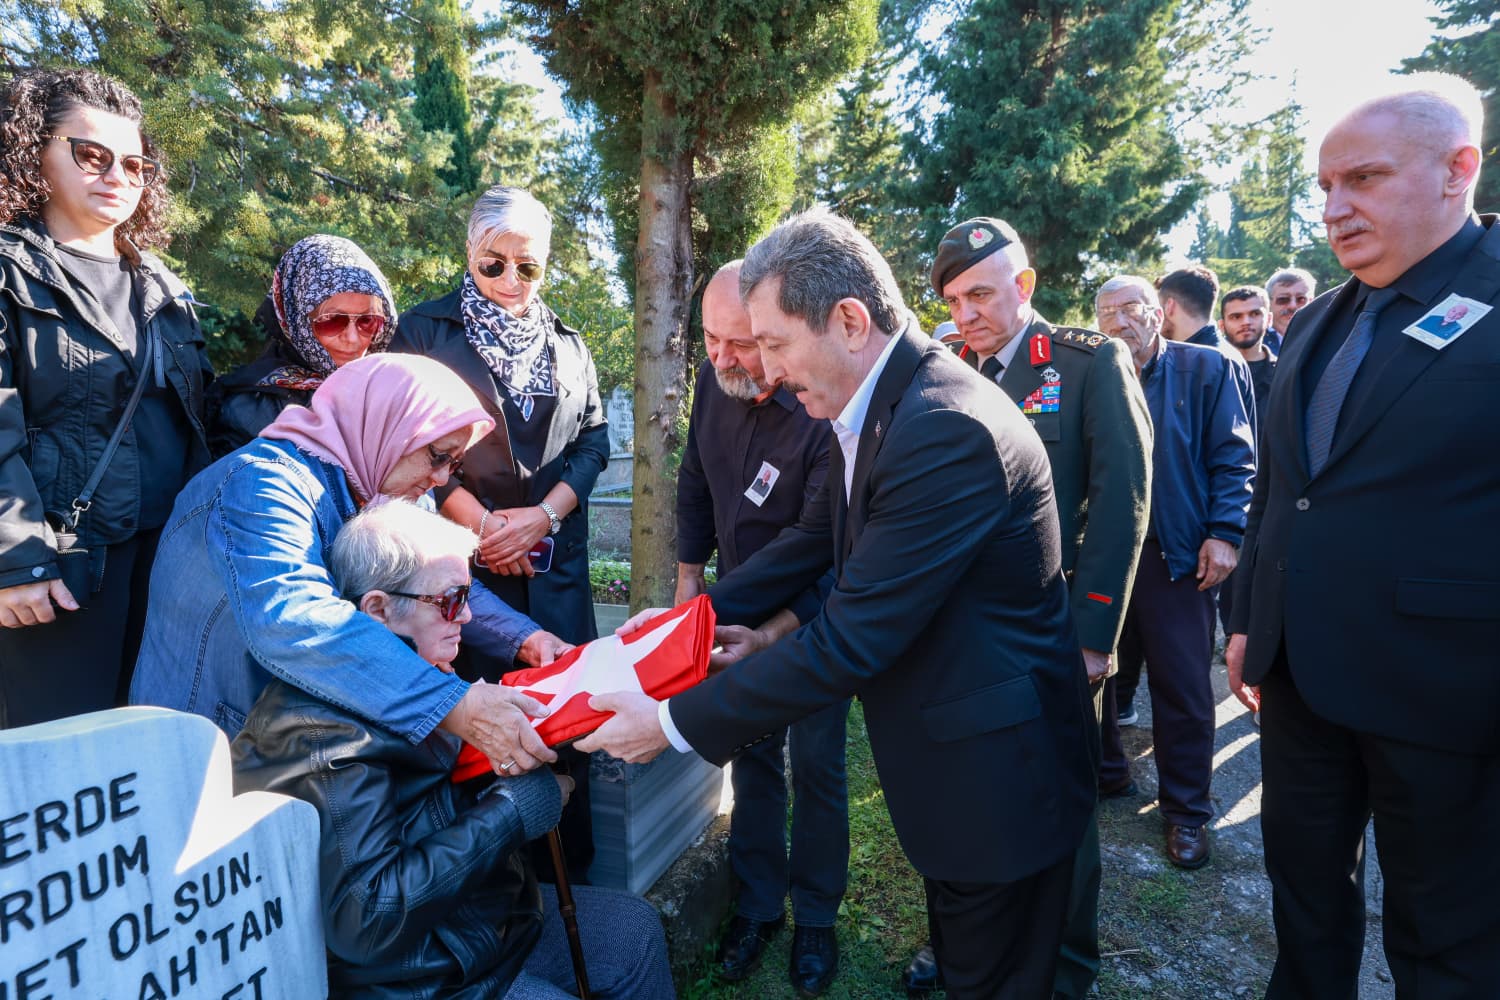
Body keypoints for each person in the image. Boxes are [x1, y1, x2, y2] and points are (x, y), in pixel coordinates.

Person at [578, 210, 1099, 1000]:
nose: (771, 372)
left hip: (999, 778)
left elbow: (851, 640)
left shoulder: (940, 427)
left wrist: (672, 725)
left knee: (999, 979)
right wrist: (694, 621)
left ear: (849, 321)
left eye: (776, 344)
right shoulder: (883, 403)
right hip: (959, 763)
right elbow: (809, 539)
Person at [1226, 76, 1500, 998]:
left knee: (1447, 931)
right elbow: (1281, 489)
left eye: (1365, 180)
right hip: (1299, 674)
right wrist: (1245, 616)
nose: (1336, 210)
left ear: (1459, 169)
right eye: (1325, 187)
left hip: (1448, 689)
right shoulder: (1319, 321)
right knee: (1304, 899)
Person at [231, 500, 675, 999]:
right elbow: (368, 917)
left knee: (634, 930)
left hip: (479, 920)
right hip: (420, 974)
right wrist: (512, 810)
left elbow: (431, 802)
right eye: (449, 600)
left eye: (466, 594)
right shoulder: (321, 728)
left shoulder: (421, 666)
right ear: (377, 608)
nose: (465, 615)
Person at [904, 216, 1151, 1000]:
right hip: (967, 640)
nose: (967, 311)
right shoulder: (947, 371)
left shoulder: (1085, 363)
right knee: (970, 797)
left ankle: (1066, 966)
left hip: (1055, 634)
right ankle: (965, 946)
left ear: (1026, 286)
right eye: (953, 297)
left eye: (981, 293)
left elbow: (1122, 504)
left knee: (1062, 809)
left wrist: (1093, 635)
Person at [130, 353, 569, 780]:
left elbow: (435, 579)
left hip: (272, 742)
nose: (440, 479)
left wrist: (524, 637)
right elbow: (294, 619)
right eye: (437, 456)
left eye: (452, 464)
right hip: (205, 745)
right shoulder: (260, 483)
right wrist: (453, 704)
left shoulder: (374, 486)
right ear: (384, 422)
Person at [394, 184, 609, 882]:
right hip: (466, 566)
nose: (512, 281)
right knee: (487, 730)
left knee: (564, 720)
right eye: (495, 264)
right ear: (469, 253)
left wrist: (544, 515)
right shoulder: (424, 331)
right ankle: (490, 890)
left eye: (529, 267)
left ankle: (570, 885)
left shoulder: (571, 345)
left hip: (556, 567)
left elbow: (594, 442)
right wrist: (482, 525)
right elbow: (405, 440)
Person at [0, 68, 213, 728]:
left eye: (134, 163)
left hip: (161, 573)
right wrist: (16, 556)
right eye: (90, 155)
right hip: (55, 574)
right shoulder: (9, 271)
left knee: (146, 760)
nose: (115, 175)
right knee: (57, 778)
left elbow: (195, 431)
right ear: (34, 149)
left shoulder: (164, 290)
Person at [675, 261, 844, 995]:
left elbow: (831, 545)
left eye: (739, 344)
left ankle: (815, 916)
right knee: (751, 755)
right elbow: (696, 478)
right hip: (733, 602)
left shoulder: (820, 406)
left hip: (814, 611)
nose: (721, 359)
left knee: (817, 764)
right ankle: (756, 903)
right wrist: (689, 579)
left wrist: (776, 629)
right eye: (709, 339)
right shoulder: (715, 380)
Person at [1094, 276, 1254, 870]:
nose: (1116, 323)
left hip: (1177, 555)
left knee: (1183, 685)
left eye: (1128, 310)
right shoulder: (1094, 370)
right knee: (1096, 671)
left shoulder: (1205, 368)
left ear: (1157, 313)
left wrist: (1225, 533)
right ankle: (1107, 774)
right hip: (1108, 554)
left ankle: (1186, 811)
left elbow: (1235, 458)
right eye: (1104, 312)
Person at [207, 234, 397, 456]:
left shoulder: (388, 394)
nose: (353, 338)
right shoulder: (248, 411)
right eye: (332, 320)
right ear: (296, 320)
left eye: (368, 321)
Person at [1216, 285, 1276, 645]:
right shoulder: (1213, 370)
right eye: (1236, 316)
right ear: (1223, 323)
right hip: (1227, 500)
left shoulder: (1288, 372)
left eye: (1254, 313)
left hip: (1273, 499)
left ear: (1267, 317)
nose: (1246, 322)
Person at [1263, 267, 1316, 354]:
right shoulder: (1255, 343)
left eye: (1301, 299)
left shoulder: (1325, 337)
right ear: (1269, 303)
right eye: (1283, 299)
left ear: (1311, 301)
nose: (1292, 306)